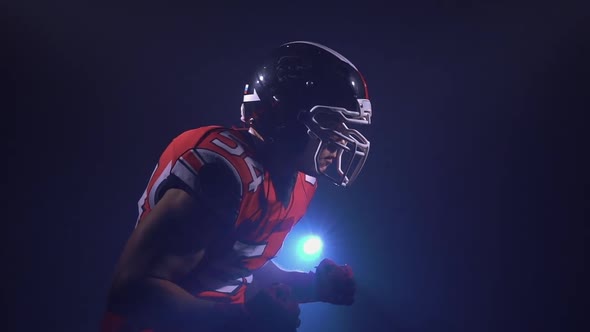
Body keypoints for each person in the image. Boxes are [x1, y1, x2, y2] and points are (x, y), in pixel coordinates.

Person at [101, 40, 373, 332]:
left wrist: (314, 287)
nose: (341, 140)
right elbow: (132, 292)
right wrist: (246, 322)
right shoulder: (222, 171)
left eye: (346, 128)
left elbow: (237, 268)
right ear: (285, 115)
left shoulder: (301, 181)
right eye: (330, 122)